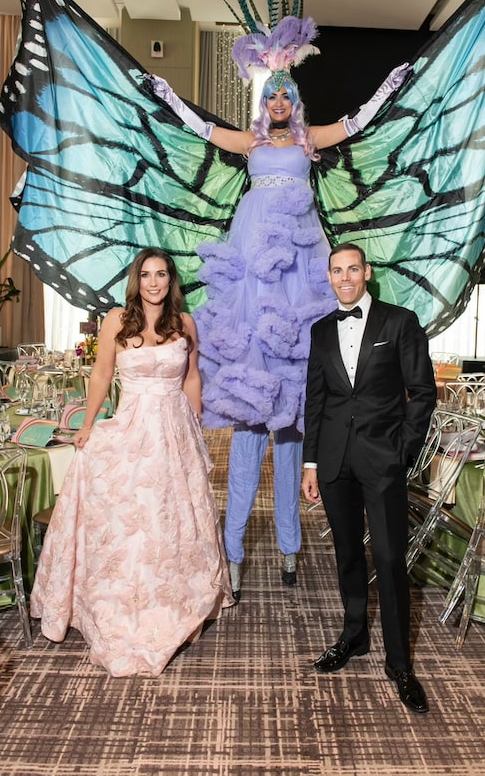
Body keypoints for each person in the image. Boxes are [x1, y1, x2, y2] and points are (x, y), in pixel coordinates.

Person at [149, 51, 409, 603]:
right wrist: (168, 95)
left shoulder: (309, 140)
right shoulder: (252, 142)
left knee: (292, 427)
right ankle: (234, 552)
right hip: (253, 270)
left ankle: (290, 547)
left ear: (295, 101)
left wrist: (387, 87)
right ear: (264, 102)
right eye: (272, 95)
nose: (279, 101)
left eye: (286, 94)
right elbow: (204, 129)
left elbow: (355, 124)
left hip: (299, 266)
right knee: (249, 428)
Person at [30, 248, 234, 677]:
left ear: (171, 280)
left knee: (173, 517)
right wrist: (88, 424)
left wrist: (196, 428)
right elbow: (102, 374)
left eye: (160, 274)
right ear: (136, 281)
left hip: (175, 432)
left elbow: (191, 377)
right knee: (133, 519)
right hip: (132, 429)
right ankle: (125, 602)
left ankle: (176, 599)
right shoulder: (117, 321)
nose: (153, 282)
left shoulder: (185, 324)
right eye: (146, 275)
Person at [301, 242, 437, 714]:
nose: (345, 278)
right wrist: (311, 463)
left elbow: (422, 392)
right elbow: (315, 400)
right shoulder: (320, 330)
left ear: (367, 272)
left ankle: (400, 663)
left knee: (390, 557)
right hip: (334, 461)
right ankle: (354, 635)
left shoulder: (399, 322)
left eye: (352, 269)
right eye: (337, 271)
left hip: (383, 460)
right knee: (347, 554)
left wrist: (402, 451)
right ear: (329, 276)